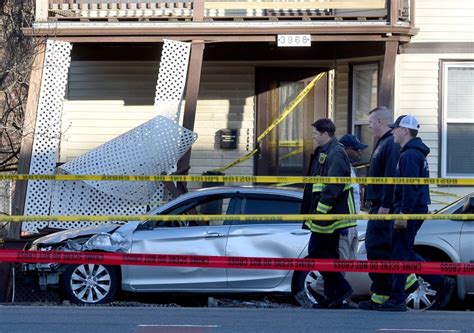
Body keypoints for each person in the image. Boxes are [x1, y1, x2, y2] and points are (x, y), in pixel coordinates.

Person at [375, 115, 455, 311]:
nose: (392, 131)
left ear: (405, 131)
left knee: (400, 254)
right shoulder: (411, 153)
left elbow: (410, 189)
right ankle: (439, 282)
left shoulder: (410, 155)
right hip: (410, 208)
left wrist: (403, 214)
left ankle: (398, 299)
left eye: (395, 128)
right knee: (404, 252)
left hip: (408, 210)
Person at [301, 118, 357, 309]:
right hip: (324, 213)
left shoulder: (336, 153)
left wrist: (320, 211)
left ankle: (341, 289)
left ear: (326, 134)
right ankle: (333, 296)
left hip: (329, 214)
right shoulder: (325, 151)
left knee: (315, 251)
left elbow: (333, 185)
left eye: (316, 134)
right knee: (328, 255)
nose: (313, 137)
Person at [359, 106, 402, 310]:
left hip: (383, 207)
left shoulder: (390, 145)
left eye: (370, 123)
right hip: (377, 205)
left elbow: (391, 179)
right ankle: (380, 295)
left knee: (377, 247)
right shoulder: (382, 143)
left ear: (379, 122)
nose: (368, 127)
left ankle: (394, 289)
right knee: (376, 249)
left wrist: (385, 205)